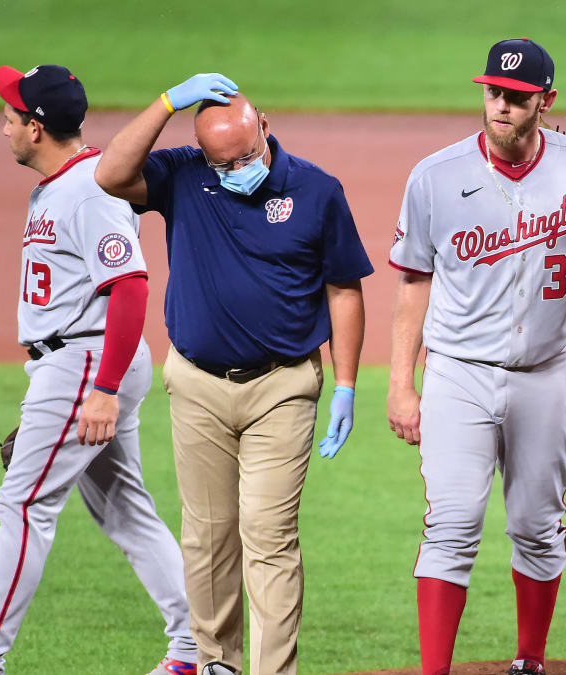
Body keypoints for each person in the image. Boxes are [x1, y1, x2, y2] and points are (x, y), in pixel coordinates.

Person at [94, 74, 372, 675]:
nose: (236, 170)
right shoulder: (183, 176)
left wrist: (346, 384)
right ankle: (217, 662)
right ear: (203, 154)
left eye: (245, 156)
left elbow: (344, 290)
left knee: (268, 536)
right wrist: (168, 100)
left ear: (265, 127)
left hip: (282, 385)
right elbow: (110, 174)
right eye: (222, 163)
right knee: (209, 536)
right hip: (196, 383)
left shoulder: (318, 190)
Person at [0, 64, 197, 675]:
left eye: (11, 117)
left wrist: (101, 390)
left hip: (87, 358)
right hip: (78, 358)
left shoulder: (88, 190)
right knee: (124, 508)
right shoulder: (64, 184)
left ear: (37, 128)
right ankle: (195, 648)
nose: (3, 127)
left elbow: (129, 285)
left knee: (24, 505)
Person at [387, 38, 566, 675]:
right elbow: (413, 283)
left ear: (546, 101)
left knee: (539, 526)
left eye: (517, 97)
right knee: (452, 525)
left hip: (546, 374)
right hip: (458, 374)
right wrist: (401, 384)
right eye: (494, 93)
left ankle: (530, 660)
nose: (502, 106)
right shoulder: (435, 175)